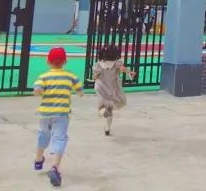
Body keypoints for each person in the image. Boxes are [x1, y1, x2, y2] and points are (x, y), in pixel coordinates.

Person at [33, 47, 83, 188]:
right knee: (60, 138)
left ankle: (38, 159)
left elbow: (37, 90)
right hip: (62, 113)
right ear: (65, 61)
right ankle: (55, 167)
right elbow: (80, 91)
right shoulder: (71, 76)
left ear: (48, 61)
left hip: (45, 113)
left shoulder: (43, 76)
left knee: (43, 134)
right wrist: (79, 92)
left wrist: (39, 91)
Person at [91, 45, 135, 137]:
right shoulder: (117, 63)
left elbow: (95, 77)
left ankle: (104, 113)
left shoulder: (98, 65)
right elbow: (123, 69)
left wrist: (95, 77)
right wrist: (129, 72)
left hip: (101, 88)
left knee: (103, 107)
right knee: (114, 105)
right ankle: (107, 128)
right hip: (113, 87)